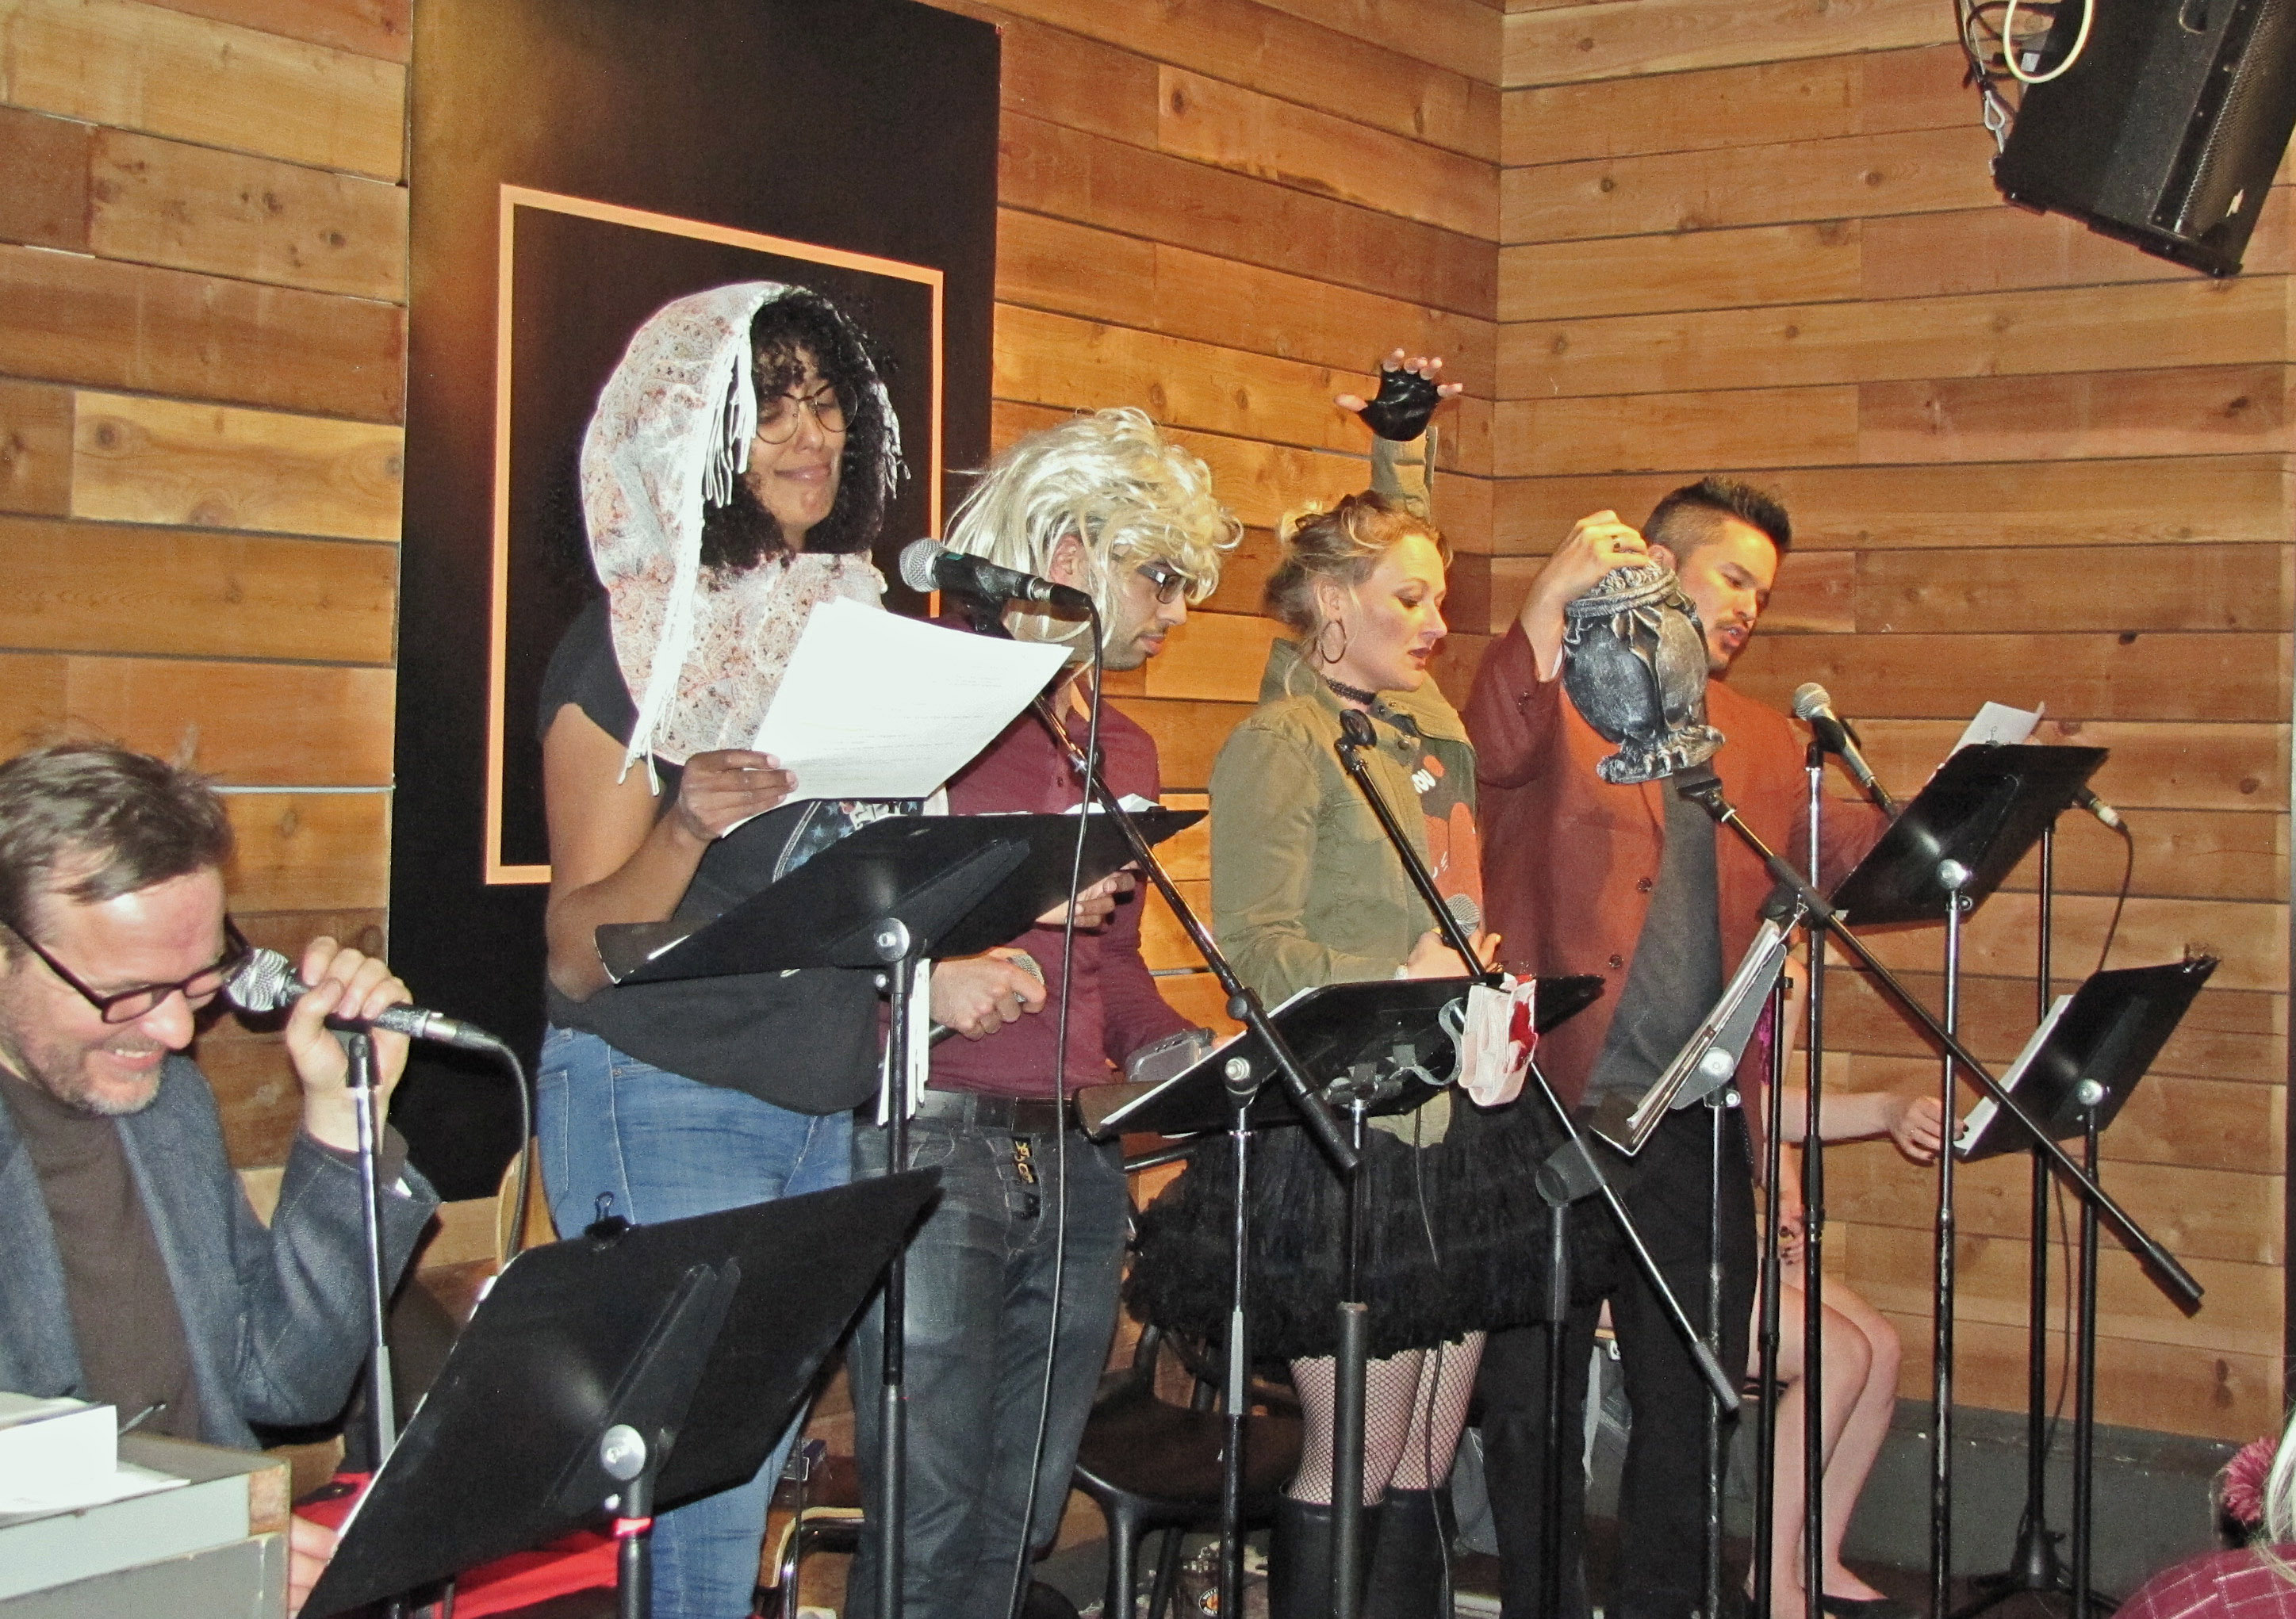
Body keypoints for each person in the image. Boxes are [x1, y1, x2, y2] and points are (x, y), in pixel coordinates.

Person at [538, 280, 974, 1617]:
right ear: (695, 436)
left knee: (751, 1476)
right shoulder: (629, 642)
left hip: (819, 1103)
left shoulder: (851, 621)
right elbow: (576, 949)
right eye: (770, 407)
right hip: (668, 1089)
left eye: (827, 404)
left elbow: (835, 890)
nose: (811, 435)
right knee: (697, 1512)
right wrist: (686, 820)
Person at [1131, 361, 1562, 1618]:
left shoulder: (1421, 730)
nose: (1433, 622)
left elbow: (1386, 547)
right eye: (1407, 599)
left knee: (1424, 1450)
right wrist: (1392, 976)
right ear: (1330, 604)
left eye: (1438, 599)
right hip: (1343, 1140)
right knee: (1359, 1450)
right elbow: (1256, 951)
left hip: (1451, 1129)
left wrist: (1401, 451)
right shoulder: (1277, 745)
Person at [1463, 477, 1892, 1619]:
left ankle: (1667, 1599)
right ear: (1657, 563)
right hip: (1551, 1108)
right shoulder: (1559, 694)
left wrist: (1968, 800)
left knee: (1692, 1396)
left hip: (1693, 1122)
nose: (1748, 606)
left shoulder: (1762, 736)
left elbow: (1850, 855)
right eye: (1733, 577)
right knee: (1534, 1400)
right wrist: (1547, 599)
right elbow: (1489, 741)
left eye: (1763, 593)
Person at [842, 406, 1239, 1619]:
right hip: (930, 1138)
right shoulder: (922, 701)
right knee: (926, 1520)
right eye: (1158, 575)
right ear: (1067, 554)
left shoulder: (1120, 743)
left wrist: (1192, 1055)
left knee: (1017, 1512)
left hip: (1071, 1152)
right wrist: (984, 940)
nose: (1176, 611)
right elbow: (838, 932)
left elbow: (1110, 969)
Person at [0, 741, 439, 1616]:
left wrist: (344, 1118)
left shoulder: (170, 1108)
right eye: (127, 992)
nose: (175, 1031)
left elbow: (288, 1384)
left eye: (199, 982)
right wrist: (176, 1554)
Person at [1755, 1078, 1941, 1619]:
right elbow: (1749, 1100)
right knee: (1836, 1353)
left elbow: (1767, 1104)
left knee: (1878, 1347)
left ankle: (1815, 1558)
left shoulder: (1785, 1012)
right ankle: (1769, 1584)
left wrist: (1785, 1199)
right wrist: (1884, 1108)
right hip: (1649, 1237)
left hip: (1714, 1229)